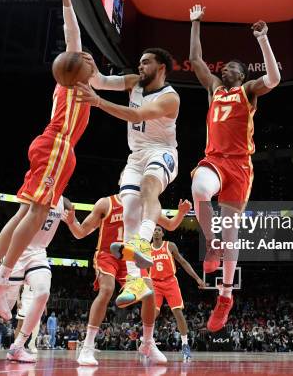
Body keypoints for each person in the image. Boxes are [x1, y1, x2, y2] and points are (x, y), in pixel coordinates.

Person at [0, 0, 96, 320]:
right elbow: (73, 40)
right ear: (76, 68)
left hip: (54, 147)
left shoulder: (78, 82)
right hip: (56, 146)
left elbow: (73, 38)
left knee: (26, 211)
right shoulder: (75, 84)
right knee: (36, 213)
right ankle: (2, 279)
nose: (88, 56)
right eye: (85, 58)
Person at [188, 4, 280, 332]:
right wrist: (196, 22)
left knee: (232, 230)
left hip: (240, 165)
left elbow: (274, 78)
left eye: (229, 68)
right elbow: (196, 61)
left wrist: (263, 40)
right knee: (199, 188)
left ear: (240, 74)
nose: (224, 70)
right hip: (214, 160)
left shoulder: (248, 90)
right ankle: (210, 242)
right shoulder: (214, 89)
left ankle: (225, 296)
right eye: (223, 68)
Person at [75, 47, 179, 308]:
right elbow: (100, 82)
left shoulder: (170, 98)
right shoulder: (133, 82)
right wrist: (91, 68)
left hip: (162, 151)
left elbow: (135, 115)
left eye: (146, 63)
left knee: (148, 188)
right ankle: (136, 280)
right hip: (136, 155)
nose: (140, 66)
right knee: (130, 206)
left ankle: (142, 242)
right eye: (140, 62)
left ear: (161, 68)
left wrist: (98, 102)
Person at [64, 195, 190, 365]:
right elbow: (80, 233)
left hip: (131, 257)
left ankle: (147, 343)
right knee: (107, 289)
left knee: (148, 292)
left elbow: (171, 225)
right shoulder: (106, 203)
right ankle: (87, 347)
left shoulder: (145, 204)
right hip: (108, 255)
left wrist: (181, 213)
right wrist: (72, 222)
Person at [0, 196, 83, 362]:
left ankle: (18, 346)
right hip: (17, 252)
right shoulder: (38, 191)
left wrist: (71, 222)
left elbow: (78, 233)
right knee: (6, 306)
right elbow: (17, 219)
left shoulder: (66, 202)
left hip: (38, 253)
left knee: (43, 293)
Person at [150, 224, 205, 362]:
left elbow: (183, 262)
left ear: (162, 234)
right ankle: (148, 342)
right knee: (153, 313)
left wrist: (197, 278)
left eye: (159, 230)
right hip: (154, 283)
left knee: (178, 313)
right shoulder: (146, 248)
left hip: (170, 282)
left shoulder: (170, 246)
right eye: (154, 230)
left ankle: (185, 345)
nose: (156, 232)